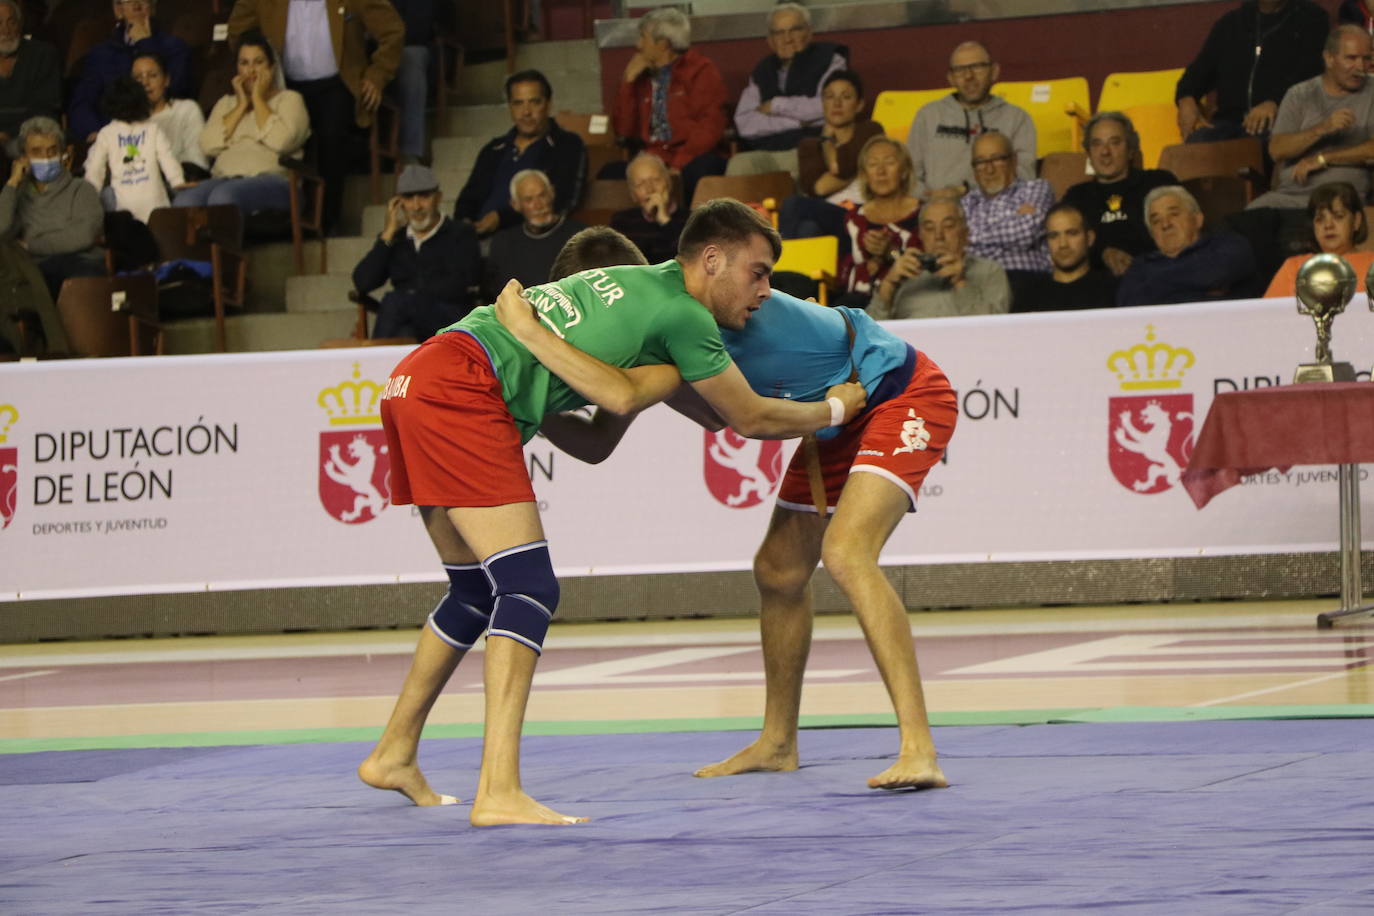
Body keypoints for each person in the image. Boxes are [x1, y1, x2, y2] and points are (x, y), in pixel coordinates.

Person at [356, 201, 867, 826]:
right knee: (528, 587)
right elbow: (747, 417)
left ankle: (395, 752)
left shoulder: (630, 286)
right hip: (465, 387)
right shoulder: (685, 318)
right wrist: (835, 410)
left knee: (472, 592)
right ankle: (498, 790)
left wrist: (534, 358)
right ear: (711, 260)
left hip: (417, 376)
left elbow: (605, 434)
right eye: (758, 273)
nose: (767, 290)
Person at [227, 0, 405, 233]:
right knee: (282, 143)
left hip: (337, 84)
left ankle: (327, 222)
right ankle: (287, 221)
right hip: (285, 86)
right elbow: (237, 31)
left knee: (332, 141)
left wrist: (377, 74)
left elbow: (393, 31)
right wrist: (257, 69)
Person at [175, 31, 310, 216]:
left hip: (274, 181)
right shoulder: (226, 103)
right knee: (184, 201)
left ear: (271, 68)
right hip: (225, 179)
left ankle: (223, 245)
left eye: (258, 62)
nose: (251, 70)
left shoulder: (290, 99)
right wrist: (241, 105)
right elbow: (208, 146)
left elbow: (282, 142)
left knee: (224, 197)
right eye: (244, 63)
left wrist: (258, 99)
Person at [610, 7, 728, 206]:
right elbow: (624, 129)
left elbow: (710, 126)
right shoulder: (641, 75)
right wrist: (628, 82)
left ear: (663, 44)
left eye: (643, 37)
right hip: (653, 156)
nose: (638, 45)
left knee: (699, 171)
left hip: (692, 156)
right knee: (610, 173)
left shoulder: (700, 70)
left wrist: (678, 163)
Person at [1250, 25, 1374, 210]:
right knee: (1241, 225)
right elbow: (1277, 150)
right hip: (1288, 197)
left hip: (1342, 201)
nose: (1360, 67)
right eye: (1351, 58)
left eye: (1367, 59)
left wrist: (1324, 159)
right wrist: (1323, 128)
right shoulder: (1299, 94)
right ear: (1329, 58)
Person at [352, 163, 480, 339]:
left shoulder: (460, 233)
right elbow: (363, 282)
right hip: (409, 321)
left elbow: (462, 283)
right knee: (405, 332)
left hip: (451, 318)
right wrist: (387, 234)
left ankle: (376, 361)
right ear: (398, 203)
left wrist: (412, 296)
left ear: (438, 197)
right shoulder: (395, 239)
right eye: (408, 198)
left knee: (394, 301)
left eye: (424, 196)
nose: (416, 206)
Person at [452, 70, 586, 237]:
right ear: (510, 107)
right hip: (478, 238)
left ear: (548, 104)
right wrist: (465, 222)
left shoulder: (567, 145)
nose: (526, 112)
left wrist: (501, 218)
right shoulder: (494, 149)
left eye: (534, 102)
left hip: (530, 237)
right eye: (518, 103)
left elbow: (562, 200)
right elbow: (468, 198)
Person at [1175, 0, 1328, 143]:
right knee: (1196, 144)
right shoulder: (1231, 23)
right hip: (1228, 123)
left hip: (1279, 123)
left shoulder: (1311, 19)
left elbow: (1310, 71)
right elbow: (1197, 72)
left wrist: (1274, 101)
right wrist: (1186, 99)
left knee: (1261, 148)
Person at [726, 3, 847, 178]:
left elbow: (827, 107)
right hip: (767, 150)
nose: (787, 38)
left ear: (809, 32)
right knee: (738, 165)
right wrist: (797, 122)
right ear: (770, 40)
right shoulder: (762, 70)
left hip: (811, 148)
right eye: (779, 33)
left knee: (802, 168)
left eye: (795, 30)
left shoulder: (831, 61)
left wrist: (776, 106)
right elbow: (745, 122)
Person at [905, 41, 1035, 199]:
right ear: (951, 78)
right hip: (937, 211)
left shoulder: (1017, 118)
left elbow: (1025, 176)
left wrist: (965, 190)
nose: (968, 76)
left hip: (997, 209)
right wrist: (932, 198)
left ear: (994, 71)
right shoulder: (928, 116)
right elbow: (910, 175)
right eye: (960, 70)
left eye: (977, 67)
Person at [1061, 111, 1179, 278]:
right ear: (1088, 153)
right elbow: (1063, 245)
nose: (1105, 152)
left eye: (1115, 143)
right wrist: (1102, 253)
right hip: (1098, 286)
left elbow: (1182, 233)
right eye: (1096, 144)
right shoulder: (1076, 197)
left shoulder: (1159, 182)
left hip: (1159, 277)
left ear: (1131, 150)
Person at [0, 117, 106, 299]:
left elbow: (83, 235)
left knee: (84, 274)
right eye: (37, 152)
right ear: (23, 157)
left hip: (80, 263)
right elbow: (1, 229)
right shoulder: (17, 195)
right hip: (35, 271)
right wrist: (12, 183)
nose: (46, 158)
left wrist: (31, 245)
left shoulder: (82, 189)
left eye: (52, 151)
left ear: (62, 153)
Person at [779, 69, 883, 243]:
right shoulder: (808, 145)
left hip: (861, 214)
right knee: (808, 229)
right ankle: (787, 268)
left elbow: (838, 167)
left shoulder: (870, 131)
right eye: (829, 97)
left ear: (859, 105)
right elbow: (819, 188)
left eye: (846, 97)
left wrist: (827, 141)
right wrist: (854, 172)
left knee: (792, 204)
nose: (837, 104)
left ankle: (778, 264)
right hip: (826, 214)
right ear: (823, 103)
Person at [67, 0, 191, 145]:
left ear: (152, 7)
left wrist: (145, 43)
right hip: (111, 139)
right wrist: (96, 133)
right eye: (129, 1)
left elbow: (175, 90)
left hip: (160, 137)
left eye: (142, 0)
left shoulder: (175, 48)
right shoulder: (102, 54)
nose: (136, 6)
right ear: (118, 10)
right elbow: (82, 103)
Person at [869, 196, 1011, 319]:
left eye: (948, 226)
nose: (938, 236)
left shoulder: (990, 270)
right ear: (921, 236)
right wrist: (888, 285)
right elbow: (867, 337)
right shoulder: (905, 274)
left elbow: (994, 330)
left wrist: (960, 282)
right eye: (929, 229)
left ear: (965, 233)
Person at [1117, 185, 1256, 306]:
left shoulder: (1228, 246)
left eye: (1174, 214)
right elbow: (1129, 306)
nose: (1165, 224)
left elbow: (1216, 273)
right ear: (1151, 233)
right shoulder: (1139, 268)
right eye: (1156, 221)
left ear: (1197, 219)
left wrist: (1154, 284)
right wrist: (1201, 286)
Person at [960, 131, 1051, 302]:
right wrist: (1012, 218)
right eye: (981, 161)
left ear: (1014, 160)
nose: (989, 168)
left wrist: (971, 236)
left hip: (1025, 280)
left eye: (997, 159)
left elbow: (1026, 232)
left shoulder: (1036, 188)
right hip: (977, 284)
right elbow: (957, 243)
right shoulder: (966, 202)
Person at [83, 75, 184, 223]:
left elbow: (94, 169)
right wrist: (177, 182)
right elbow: (167, 157)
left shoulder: (107, 133)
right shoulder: (152, 129)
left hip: (124, 208)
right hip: (156, 205)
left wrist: (89, 198)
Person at [835, 135, 920, 308]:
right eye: (873, 164)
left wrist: (891, 253)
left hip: (911, 300)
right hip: (859, 305)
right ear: (865, 175)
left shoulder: (924, 214)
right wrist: (868, 267)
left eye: (889, 162)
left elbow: (926, 270)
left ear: (904, 170)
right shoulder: (852, 219)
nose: (881, 171)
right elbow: (841, 279)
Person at [483, 169, 585, 302]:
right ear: (515, 205)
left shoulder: (580, 235)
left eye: (542, 195)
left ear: (552, 193)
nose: (538, 205)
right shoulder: (503, 243)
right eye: (528, 199)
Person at [1264, 181, 1374, 295]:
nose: (1328, 225)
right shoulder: (1294, 267)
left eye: (1338, 216)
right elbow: (1266, 311)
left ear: (1356, 221)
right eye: (1320, 219)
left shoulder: (1372, 264)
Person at [1014, 202, 1120, 312]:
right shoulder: (1029, 294)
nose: (1063, 244)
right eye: (1053, 236)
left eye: (1072, 233)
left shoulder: (1114, 289)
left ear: (1089, 238)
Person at [131, 51, 207, 177]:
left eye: (152, 76)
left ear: (166, 80)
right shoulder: (127, 120)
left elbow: (198, 161)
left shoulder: (187, 110)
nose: (145, 83)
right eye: (138, 78)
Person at [0, 0, 60, 155]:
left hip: (28, 137)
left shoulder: (43, 55)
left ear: (20, 24)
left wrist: (7, 133)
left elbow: (45, 109)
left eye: (11, 22)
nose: (5, 30)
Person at [610, 152, 687, 264]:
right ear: (633, 195)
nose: (650, 189)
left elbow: (688, 258)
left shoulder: (692, 219)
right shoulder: (621, 222)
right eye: (640, 184)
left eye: (656, 180)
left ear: (669, 183)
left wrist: (664, 220)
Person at [387, 0, 436, 163]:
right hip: (364, 53)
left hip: (407, 46)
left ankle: (409, 151)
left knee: (411, 59)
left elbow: (417, 31)